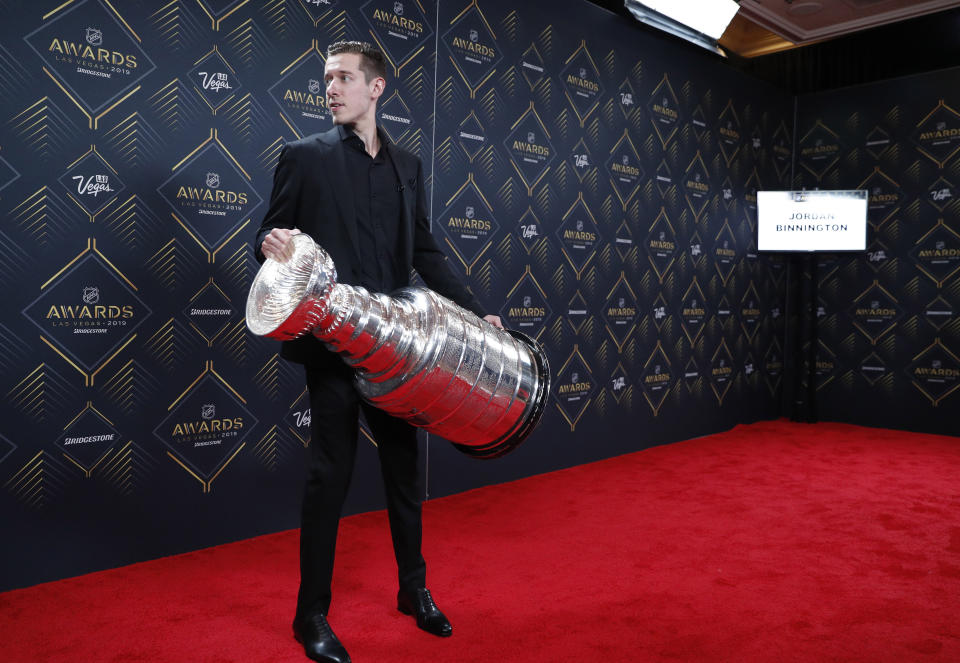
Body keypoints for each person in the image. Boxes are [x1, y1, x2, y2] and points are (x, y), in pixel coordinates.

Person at [254, 40, 503, 663]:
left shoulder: (408, 165)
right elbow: (268, 231)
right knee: (328, 477)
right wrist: (271, 243)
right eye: (326, 79)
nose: (330, 89)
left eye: (343, 78)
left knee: (403, 475)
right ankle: (310, 615)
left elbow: (424, 250)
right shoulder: (303, 158)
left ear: (376, 88)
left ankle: (414, 592)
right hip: (333, 346)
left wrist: (477, 311)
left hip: (398, 352)